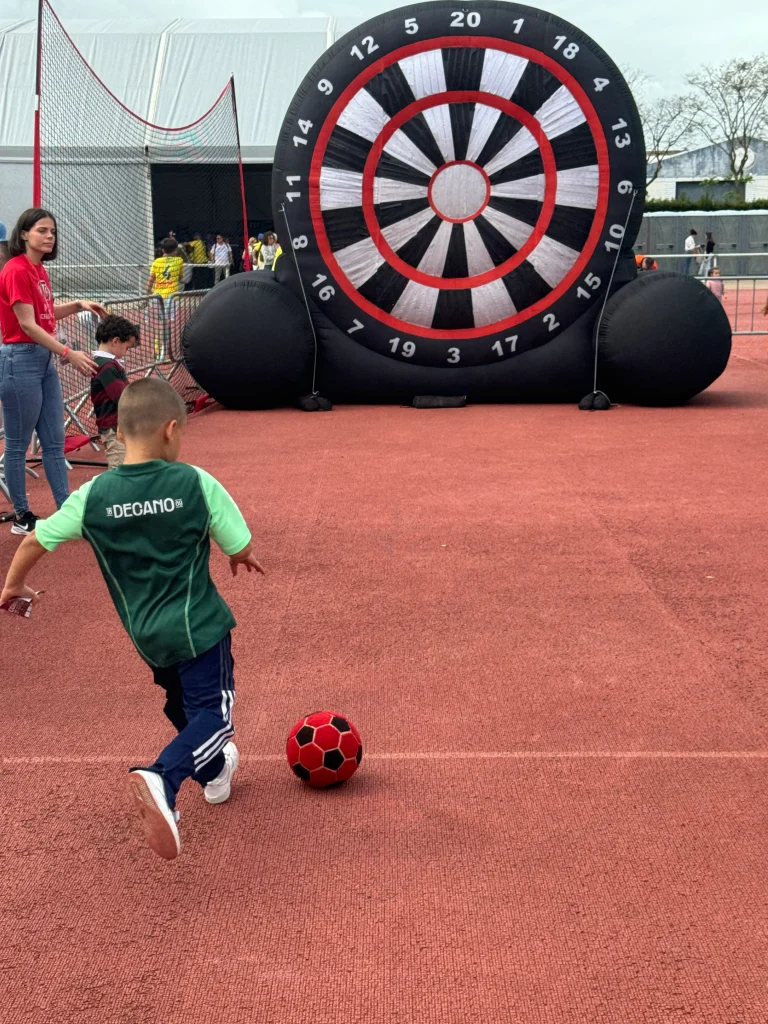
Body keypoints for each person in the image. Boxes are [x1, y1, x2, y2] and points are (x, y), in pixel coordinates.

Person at [0, 377, 265, 860]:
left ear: (119, 436)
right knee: (214, 717)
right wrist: (239, 555)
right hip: (198, 626)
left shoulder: (92, 495)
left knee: (182, 706)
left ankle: (213, 773)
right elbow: (239, 543)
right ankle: (163, 777)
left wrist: (13, 584)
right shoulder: (194, 482)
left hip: (146, 634)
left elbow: (35, 539)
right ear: (171, 430)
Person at [0, 208, 104, 535]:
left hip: (42, 361)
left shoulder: (39, 270)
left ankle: (65, 511)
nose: (49, 236)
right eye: (42, 230)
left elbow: (44, 314)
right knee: (17, 445)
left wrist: (78, 305)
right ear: (24, 234)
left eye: (53, 232)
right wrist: (67, 352)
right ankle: (22, 516)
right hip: (20, 359)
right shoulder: (16, 270)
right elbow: (27, 325)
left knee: (54, 442)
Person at [90, 314, 138, 469]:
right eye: (127, 347)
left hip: (118, 425)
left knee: (128, 463)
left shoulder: (108, 363)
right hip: (113, 427)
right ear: (116, 341)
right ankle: (116, 492)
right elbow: (122, 397)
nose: (126, 352)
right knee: (119, 467)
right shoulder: (106, 366)